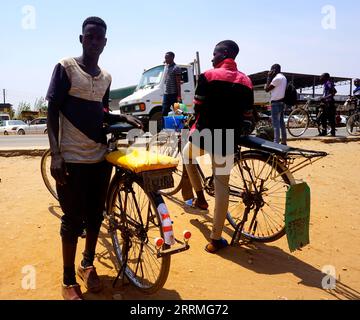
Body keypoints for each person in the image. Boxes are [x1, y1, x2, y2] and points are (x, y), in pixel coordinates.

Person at [46, 17, 142, 300]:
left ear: (105, 42)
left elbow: (100, 110)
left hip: (100, 159)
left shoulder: (106, 77)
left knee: (96, 215)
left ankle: (87, 264)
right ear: (81, 39)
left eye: (99, 38)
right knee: (72, 220)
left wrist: (119, 115)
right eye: (90, 37)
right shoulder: (65, 67)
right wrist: (56, 154)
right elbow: (53, 111)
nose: (95, 42)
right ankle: (67, 279)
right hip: (72, 159)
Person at [182, 40, 254, 254]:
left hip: (204, 135)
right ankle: (215, 239)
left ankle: (201, 197)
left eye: (214, 54)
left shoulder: (207, 76)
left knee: (187, 156)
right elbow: (248, 115)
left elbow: (198, 106)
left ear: (224, 54)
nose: (212, 58)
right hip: (228, 139)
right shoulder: (246, 81)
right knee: (222, 184)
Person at [264, 64, 288, 145]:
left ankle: (276, 142)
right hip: (282, 102)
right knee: (281, 123)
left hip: (275, 103)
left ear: (274, 69)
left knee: (275, 124)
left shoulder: (277, 78)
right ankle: (284, 141)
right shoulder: (284, 77)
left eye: (271, 70)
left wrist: (269, 77)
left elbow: (267, 89)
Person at [161, 52, 182, 122]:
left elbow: (178, 83)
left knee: (178, 112)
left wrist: (179, 95)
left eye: (167, 58)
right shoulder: (167, 67)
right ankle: (164, 128)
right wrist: (165, 63)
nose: (165, 59)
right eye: (165, 58)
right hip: (167, 94)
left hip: (174, 94)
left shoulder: (176, 68)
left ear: (172, 58)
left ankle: (181, 128)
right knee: (164, 112)